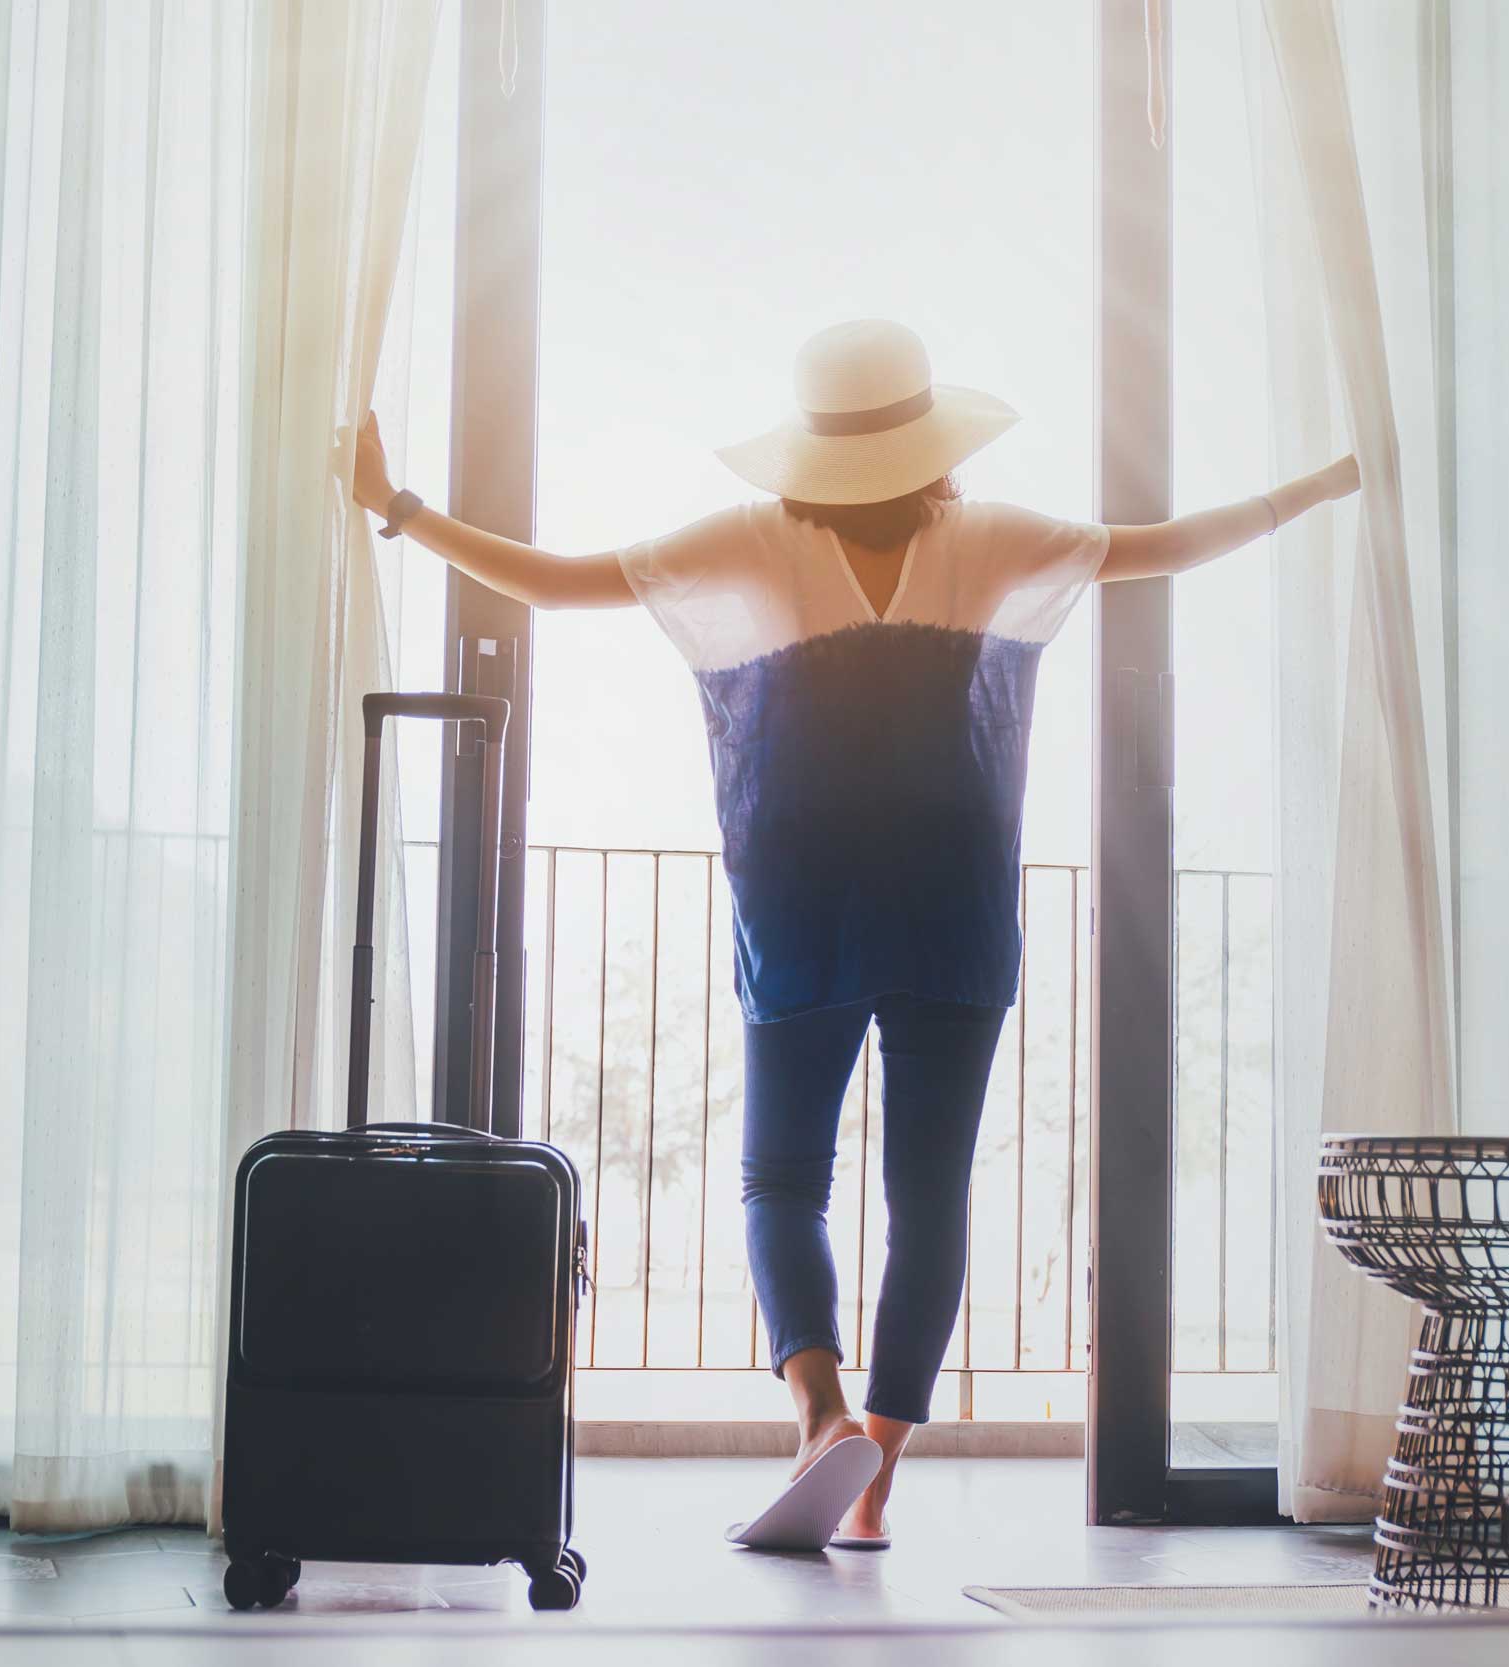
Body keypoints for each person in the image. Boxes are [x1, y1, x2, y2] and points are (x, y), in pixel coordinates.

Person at [350, 317, 1359, 1549]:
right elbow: (1172, 546)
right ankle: (874, 1472)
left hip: (804, 901)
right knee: (928, 1195)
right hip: (954, 906)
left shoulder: (755, 538)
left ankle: (817, 1411)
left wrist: (395, 502)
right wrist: (1322, 482)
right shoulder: (988, 538)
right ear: (930, 438)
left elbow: (557, 578)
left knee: (783, 1178)